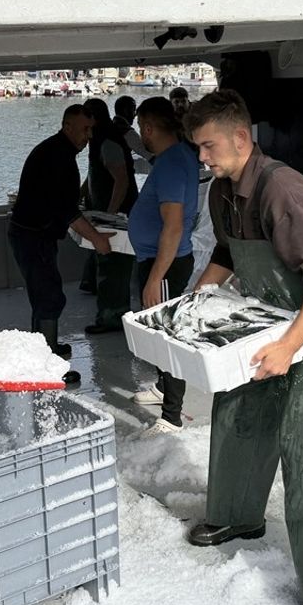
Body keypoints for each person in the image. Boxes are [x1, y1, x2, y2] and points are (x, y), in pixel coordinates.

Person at [183, 90, 303, 605]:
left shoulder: (283, 188)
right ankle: (237, 519)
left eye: (208, 146)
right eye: (198, 149)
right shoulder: (221, 190)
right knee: (238, 422)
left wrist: (289, 346)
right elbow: (227, 254)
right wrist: (195, 299)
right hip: (258, 326)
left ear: (241, 137)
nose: (203, 158)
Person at [9, 104, 114, 384]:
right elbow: (67, 212)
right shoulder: (59, 158)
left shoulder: (56, 150)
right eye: (84, 129)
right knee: (49, 297)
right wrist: (98, 239)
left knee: (43, 295)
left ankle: (46, 349)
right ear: (67, 126)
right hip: (33, 236)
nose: (88, 135)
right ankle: (47, 367)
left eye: (91, 129)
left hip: (31, 233)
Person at [126, 97, 200, 435]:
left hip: (164, 265)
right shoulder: (176, 155)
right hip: (159, 260)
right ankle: (162, 388)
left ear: (148, 128)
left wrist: (155, 278)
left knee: (168, 335)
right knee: (158, 328)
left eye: (142, 128)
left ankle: (172, 417)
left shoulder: (170, 163)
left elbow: (173, 226)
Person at [82, 97, 138, 335]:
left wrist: (109, 215)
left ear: (94, 119)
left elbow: (122, 180)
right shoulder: (98, 140)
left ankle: (112, 318)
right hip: (105, 213)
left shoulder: (108, 142)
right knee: (106, 263)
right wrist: (81, 193)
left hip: (116, 218)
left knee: (113, 267)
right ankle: (110, 313)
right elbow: (94, 173)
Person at [113, 95, 152, 171]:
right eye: (133, 110)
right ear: (126, 110)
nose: (134, 115)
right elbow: (149, 156)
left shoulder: (110, 127)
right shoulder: (127, 132)